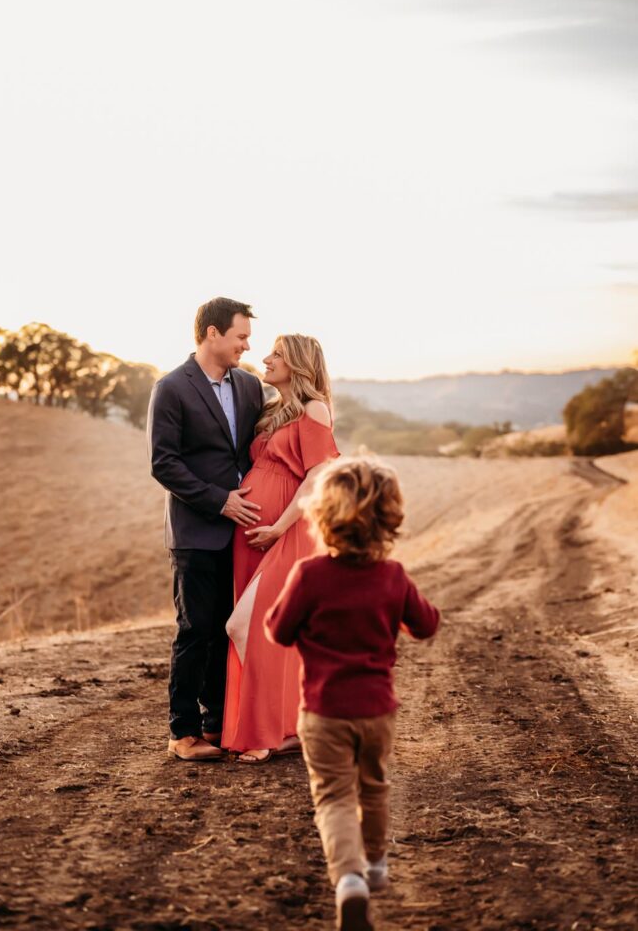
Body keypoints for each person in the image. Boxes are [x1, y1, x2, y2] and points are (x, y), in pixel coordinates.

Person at [265, 457, 440, 931]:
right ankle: (377, 864)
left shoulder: (309, 575)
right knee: (374, 784)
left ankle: (349, 881)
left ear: (321, 517)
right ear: (389, 518)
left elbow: (278, 632)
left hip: (323, 712)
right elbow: (426, 625)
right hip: (378, 711)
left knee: (335, 798)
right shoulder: (394, 576)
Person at [147, 297, 264, 762]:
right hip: (196, 530)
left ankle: (219, 725)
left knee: (227, 631)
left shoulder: (252, 387)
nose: (246, 345)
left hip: (242, 533)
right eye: (240, 336)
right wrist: (220, 501)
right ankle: (183, 733)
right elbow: (164, 464)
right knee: (195, 630)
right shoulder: (172, 388)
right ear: (212, 334)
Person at [221, 334, 339, 763]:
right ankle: (290, 730)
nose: (266, 359)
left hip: (287, 531)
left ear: (300, 365)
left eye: (277, 354)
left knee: (249, 625)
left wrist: (277, 528)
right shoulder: (272, 412)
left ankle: (267, 729)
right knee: (266, 631)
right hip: (252, 534)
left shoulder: (314, 408)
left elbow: (316, 478)